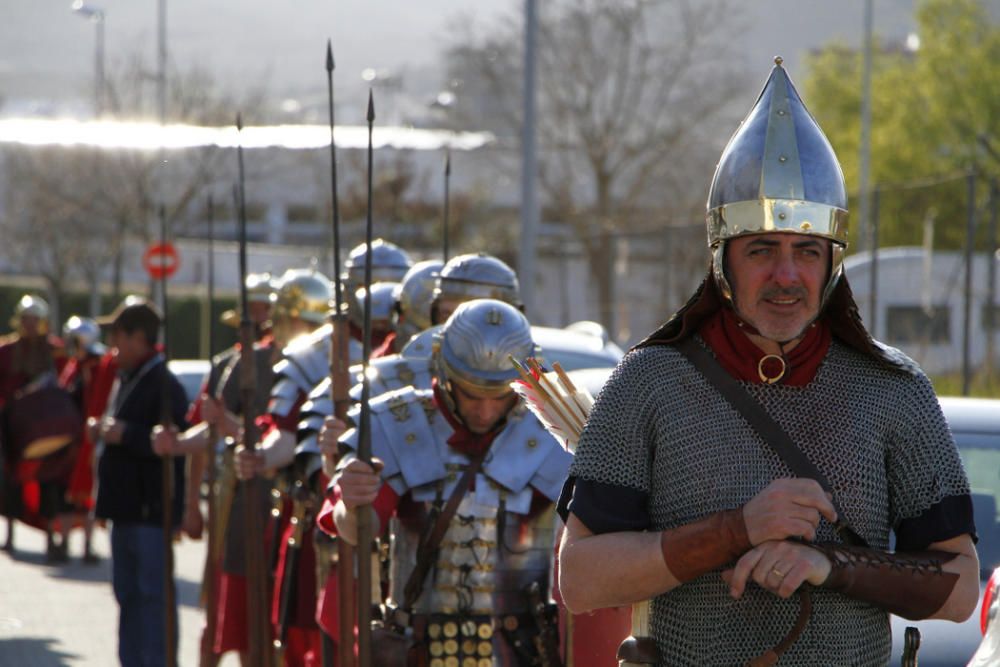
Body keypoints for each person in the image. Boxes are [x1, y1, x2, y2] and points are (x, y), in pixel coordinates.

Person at [556, 58, 980, 666]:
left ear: (831, 263)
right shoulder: (650, 381)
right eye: (761, 249)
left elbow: (961, 587)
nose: (786, 275)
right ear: (723, 262)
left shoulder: (894, 390)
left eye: (806, 251)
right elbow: (581, 579)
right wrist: (736, 530)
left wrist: (828, 564)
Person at [319, 299, 572, 666]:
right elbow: (359, 528)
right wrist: (352, 503)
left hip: (519, 649)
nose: (484, 411)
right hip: (417, 647)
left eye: (499, 396)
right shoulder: (393, 422)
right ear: (444, 372)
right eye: (471, 394)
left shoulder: (555, 436)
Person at [92, 295, 189, 667]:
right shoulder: (129, 377)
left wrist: (126, 433)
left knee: (152, 599)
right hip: (126, 511)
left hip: (150, 513)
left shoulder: (164, 383)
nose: (113, 348)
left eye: (118, 338)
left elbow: (173, 440)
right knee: (129, 597)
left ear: (137, 338)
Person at [0, 294, 68, 556]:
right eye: (26, 320)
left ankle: (52, 535)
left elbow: (66, 383)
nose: (30, 325)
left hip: (48, 425)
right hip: (15, 427)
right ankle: (9, 534)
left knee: (51, 480)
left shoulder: (54, 350)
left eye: (34, 320)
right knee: (11, 479)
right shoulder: (6, 350)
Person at [57, 315, 108, 563]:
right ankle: (64, 543)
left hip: (88, 438)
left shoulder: (98, 365)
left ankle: (87, 546)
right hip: (71, 439)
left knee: (87, 493)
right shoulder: (76, 365)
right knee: (67, 493)